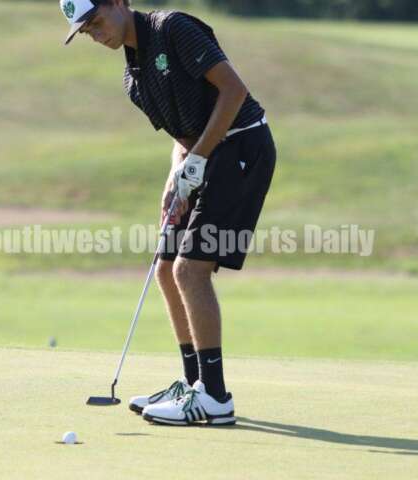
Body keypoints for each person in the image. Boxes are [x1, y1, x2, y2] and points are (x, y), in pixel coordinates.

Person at [60, 0, 276, 426]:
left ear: (119, 3)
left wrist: (196, 160)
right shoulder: (133, 79)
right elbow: (185, 133)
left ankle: (214, 398)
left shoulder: (174, 28)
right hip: (205, 155)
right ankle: (193, 383)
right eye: (86, 32)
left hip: (244, 146)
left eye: (98, 21)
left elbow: (234, 92)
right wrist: (176, 174)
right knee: (165, 267)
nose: (97, 35)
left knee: (189, 270)